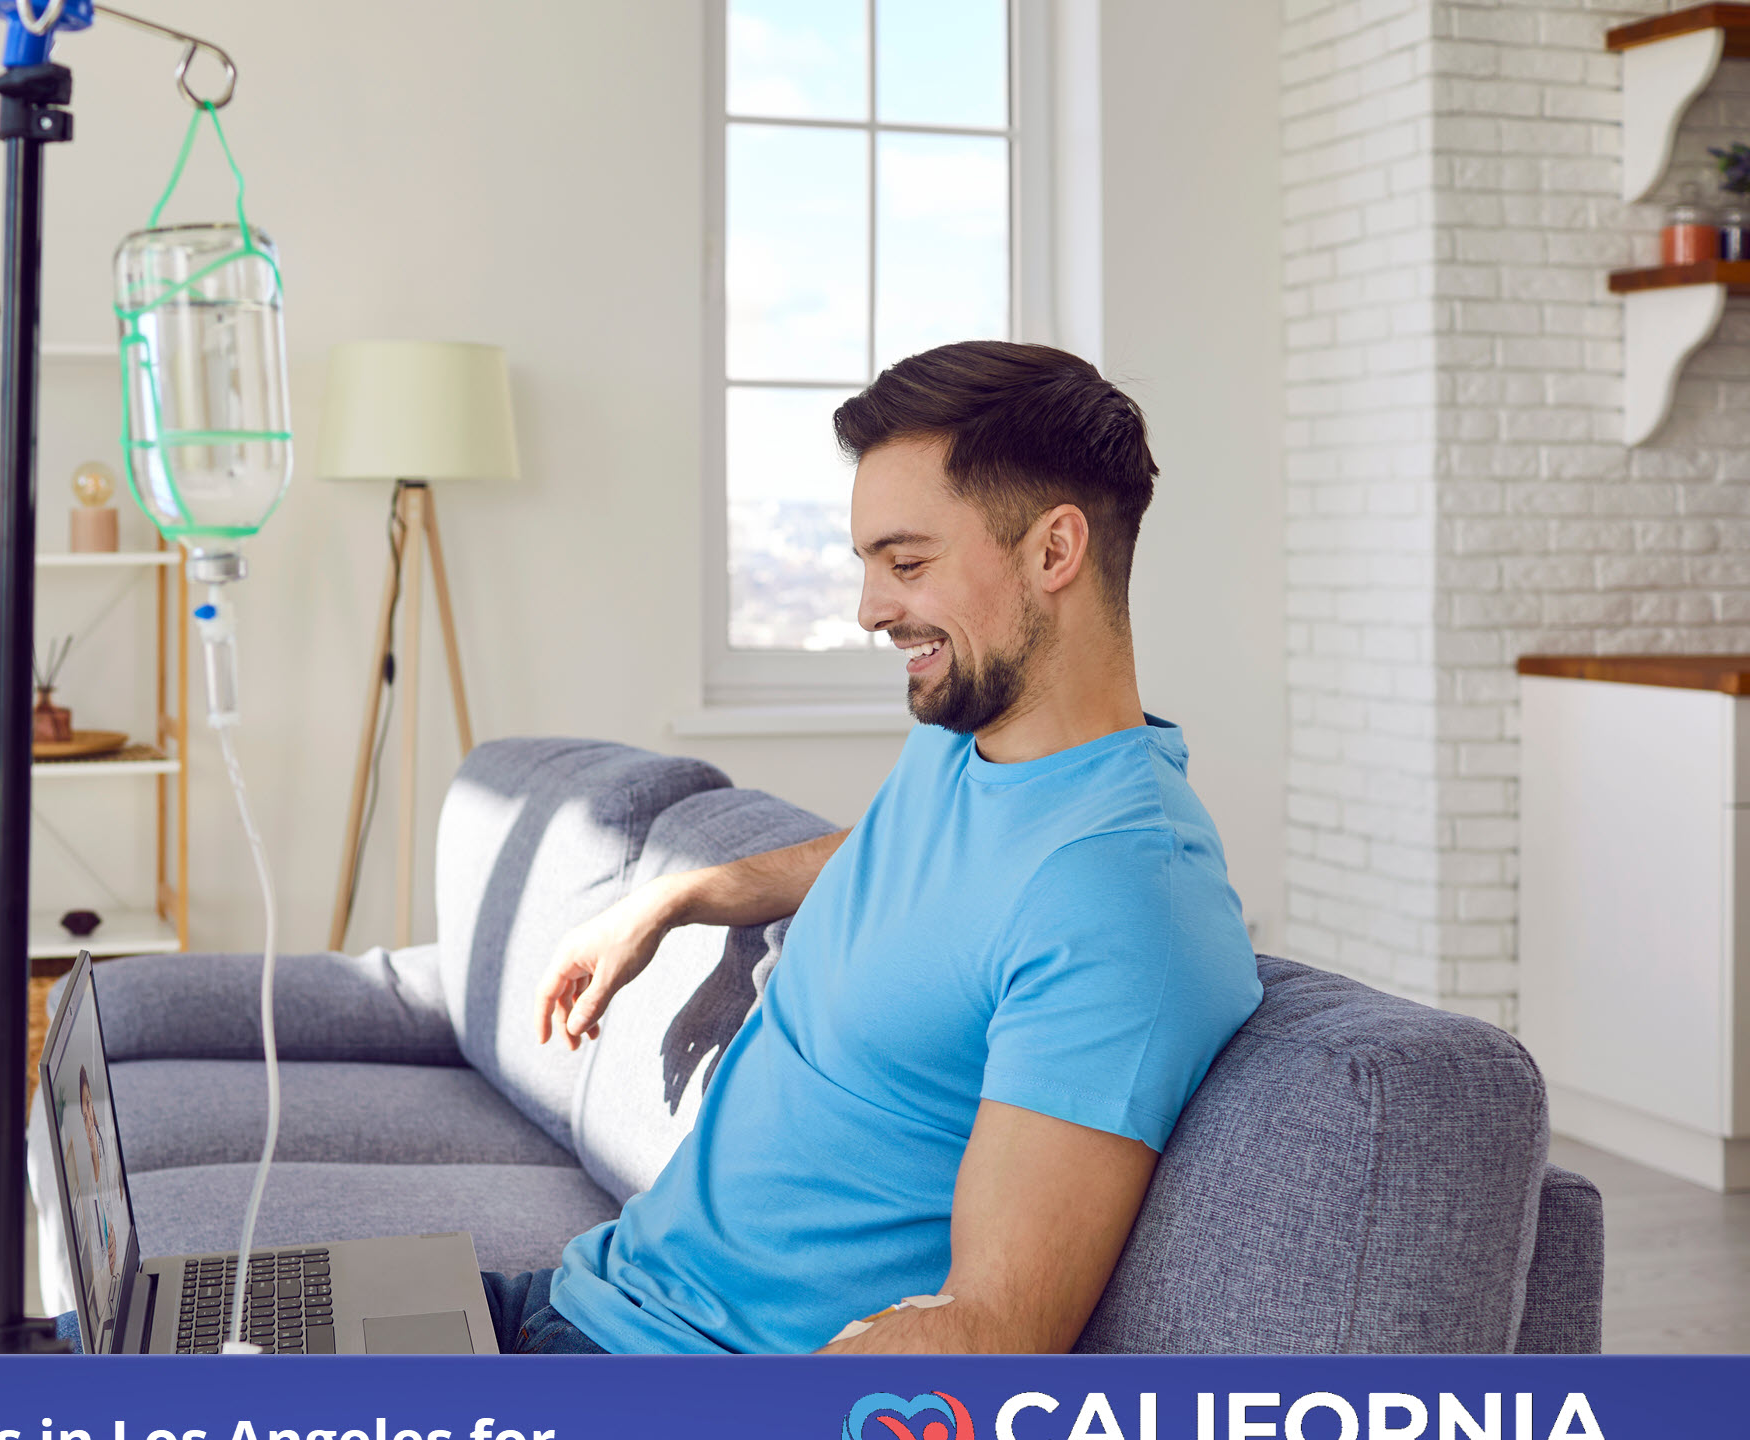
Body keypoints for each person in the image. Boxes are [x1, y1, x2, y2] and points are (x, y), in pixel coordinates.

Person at [486, 341, 1263, 1357]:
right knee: (273, 1313)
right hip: (581, 1296)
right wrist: (672, 901)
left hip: (662, 1378)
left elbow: (992, 1330)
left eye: (907, 564)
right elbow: (890, 863)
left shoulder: (1121, 898)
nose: (869, 610)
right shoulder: (965, 749)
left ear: (1054, 551)